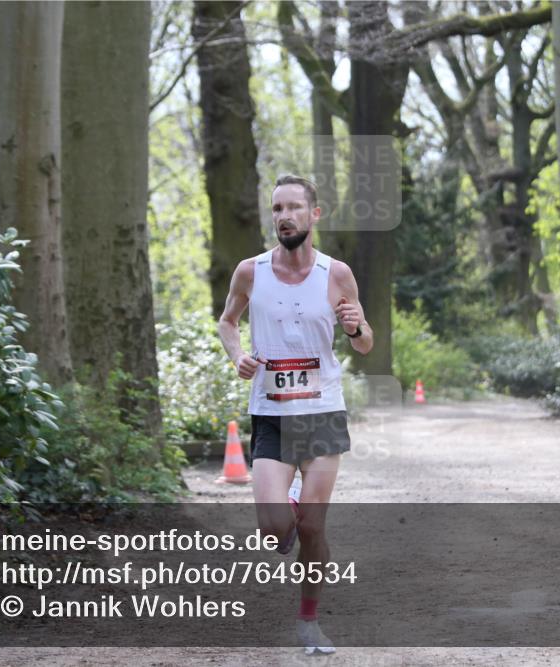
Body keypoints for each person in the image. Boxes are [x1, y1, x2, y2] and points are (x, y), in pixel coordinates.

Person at [217, 174, 373, 655]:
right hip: (272, 413)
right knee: (272, 530)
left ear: (314, 215)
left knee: (311, 527)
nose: (284, 216)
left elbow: (365, 342)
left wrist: (355, 327)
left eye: (294, 208)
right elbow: (227, 322)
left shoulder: (336, 274)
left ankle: (309, 623)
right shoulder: (250, 271)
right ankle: (286, 510)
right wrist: (237, 355)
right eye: (277, 208)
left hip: (323, 411)